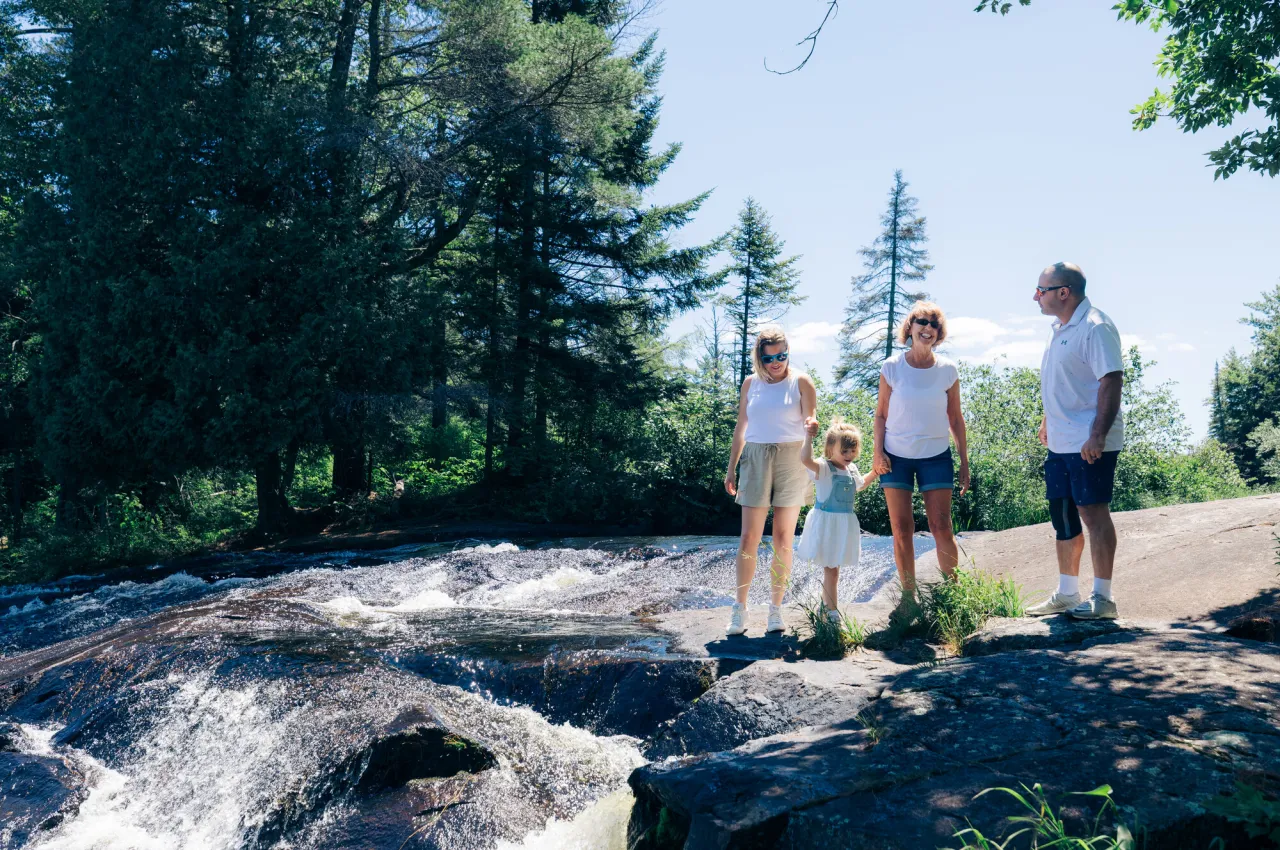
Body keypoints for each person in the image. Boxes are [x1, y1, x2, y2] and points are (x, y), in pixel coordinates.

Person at [1025, 262, 1124, 620]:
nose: (1036, 296)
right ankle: (1067, 593)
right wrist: (1047, 419)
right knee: (1063, 516)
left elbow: (1110, 381)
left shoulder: (1095, 326)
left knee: (1093, 514)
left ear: (1063, 292)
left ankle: (1103, 598)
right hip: (1060, 441)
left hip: (1089, 441)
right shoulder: (1060, 327)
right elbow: (1065, 380)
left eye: (1041, 290)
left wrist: (1096, 434)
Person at [872, 301, 970, 602]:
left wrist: (964, 461)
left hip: (936, 456)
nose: (928, 328)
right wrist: (878, 453)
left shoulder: (947, 370)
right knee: (902, 529)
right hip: (896, 456)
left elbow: (955, 417)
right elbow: (880, 415)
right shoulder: (891, 367)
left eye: (934, 325)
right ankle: (908, 598)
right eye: (922, 322)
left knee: (941, 525)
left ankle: (954, 594)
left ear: (938, 334)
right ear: (910, 328)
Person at [723, 325, 818, 636]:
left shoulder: (801, 381)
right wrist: (731, 467)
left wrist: (812, 425)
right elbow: (741, 427)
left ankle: (775, 610)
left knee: (782, 538)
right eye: (769, 358)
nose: (776, 362)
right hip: (756, 457)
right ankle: (740, 609)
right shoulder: (750, 384)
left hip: (792, 459)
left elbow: (810, 418)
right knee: (749, 536)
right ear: (759, 358)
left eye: (782, 355)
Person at [797, 418, 880, 622]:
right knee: (832, 571)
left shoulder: (851, 470)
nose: (849, 455)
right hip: (827, 526)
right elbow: (806, 460)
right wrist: (808, 438)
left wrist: (876, 472)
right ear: (830, 449)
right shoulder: (824, 468)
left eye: (853, 451)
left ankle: (825, 609)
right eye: (844, 451)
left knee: (834, 571)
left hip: (844, 526)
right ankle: (832, 613)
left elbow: (860, 485)